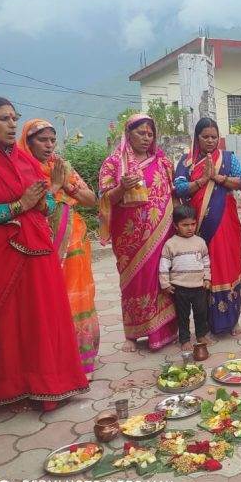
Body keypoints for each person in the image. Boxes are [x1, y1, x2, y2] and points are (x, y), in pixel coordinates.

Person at [0, 96, 89, 411]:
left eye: (14, 118)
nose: (11, 124)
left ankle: (52, 385)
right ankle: (14, 387)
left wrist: (49, 195)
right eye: (3, 119)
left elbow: (49, 206)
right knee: (7, 323)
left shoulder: (25, 161)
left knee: (46, 317)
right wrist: (18, 206)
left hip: (37, 251)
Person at [19, 119, 101, 379]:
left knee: (79, 296)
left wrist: (67, 184)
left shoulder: (61, 165)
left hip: (75, 239)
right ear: (28, 141)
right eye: (43, 140)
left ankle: (82, 357)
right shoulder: (22, 169)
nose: (49, 145)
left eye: (52, 140)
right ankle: (56, 358)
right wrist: (54, 186)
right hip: (42, 244)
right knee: (52, 299)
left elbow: (91, 200)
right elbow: (29, 208)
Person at [98, 114, 177, 352]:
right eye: (140, 133)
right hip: (130, 239)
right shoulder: (114, 163)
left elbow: (171, 194)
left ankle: (165, 330)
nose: (146, 138)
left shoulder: (161, 162)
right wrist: (122, 187)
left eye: (150, 134)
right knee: (134, 283)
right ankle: (132, 335)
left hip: (162, 233)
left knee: (162, 279)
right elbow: (104, 198)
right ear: (128, 134)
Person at [174, 117, 241, 336]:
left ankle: (232, 322)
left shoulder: (228, 158)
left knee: (228, 264)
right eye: (205, 137)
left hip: (225, 221)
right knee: (203, 271)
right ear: (197, 138)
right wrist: (202, 181)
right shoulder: (186, 161)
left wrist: (218, 177)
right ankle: (204, 327)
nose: (211, 141)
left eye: (214, 137)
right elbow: (179, 188)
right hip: (199, 226)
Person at [159, 205, 211, 351]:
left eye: (193, 224)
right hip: (180, 288)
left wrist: (207, 278)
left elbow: (206, 262)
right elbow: (164, 265)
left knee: (201, 313)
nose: (190, 228)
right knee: (183, 316)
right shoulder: (170, 244)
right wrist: (165, 284)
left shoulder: (200, 242)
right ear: (176, 226)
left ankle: (201, 335)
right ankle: (185, 339)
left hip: (199, 286)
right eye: (185, 225)